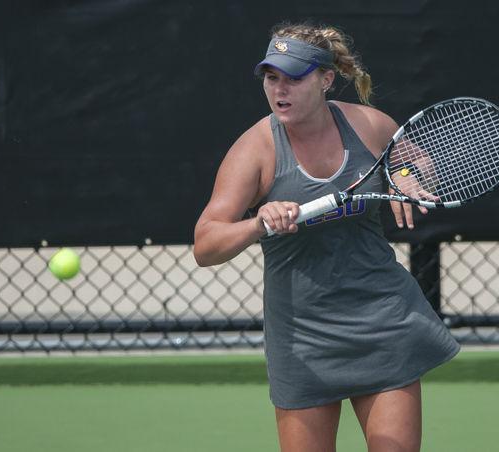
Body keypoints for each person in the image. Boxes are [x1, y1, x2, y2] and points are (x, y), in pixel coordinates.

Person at [194, 23, 460, 452]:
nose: (280, 89)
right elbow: (205, 245)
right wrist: (257, 222)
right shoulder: (254, 150)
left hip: (383, 319)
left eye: (294, 78)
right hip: (303, 336)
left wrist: (403, 177)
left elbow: (417, 163)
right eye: (271, 76)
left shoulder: (370, 125)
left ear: (326, 80)